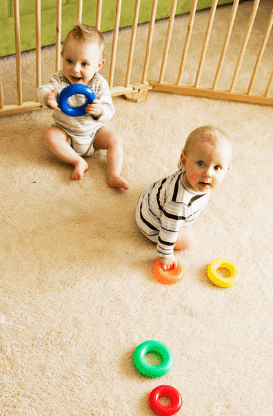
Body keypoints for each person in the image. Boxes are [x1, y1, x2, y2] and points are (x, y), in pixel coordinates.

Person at [37, 24, 129, 189]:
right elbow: (42, 89)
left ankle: (114, 174)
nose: (75, 69)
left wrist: (100, 111)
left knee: (115, 139)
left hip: (94, 134)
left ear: (99, 65)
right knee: (49, 136)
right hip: (66, 132)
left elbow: (109, 110)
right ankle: (77, 161)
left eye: (84, 64)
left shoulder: (99, 84)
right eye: (69, 61)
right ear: (62, 56)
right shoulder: (60, 79)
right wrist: (47, 96)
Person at [135, 125, 232, 270]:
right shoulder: (178, 204)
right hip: (153, 224)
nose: (208, 174)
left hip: (151, 197)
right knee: (187, 239)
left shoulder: (194, 176)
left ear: (227, 170)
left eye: (217, 167)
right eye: (201, 163)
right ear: (184, 162)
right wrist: (165, 255)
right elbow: (168, 230)